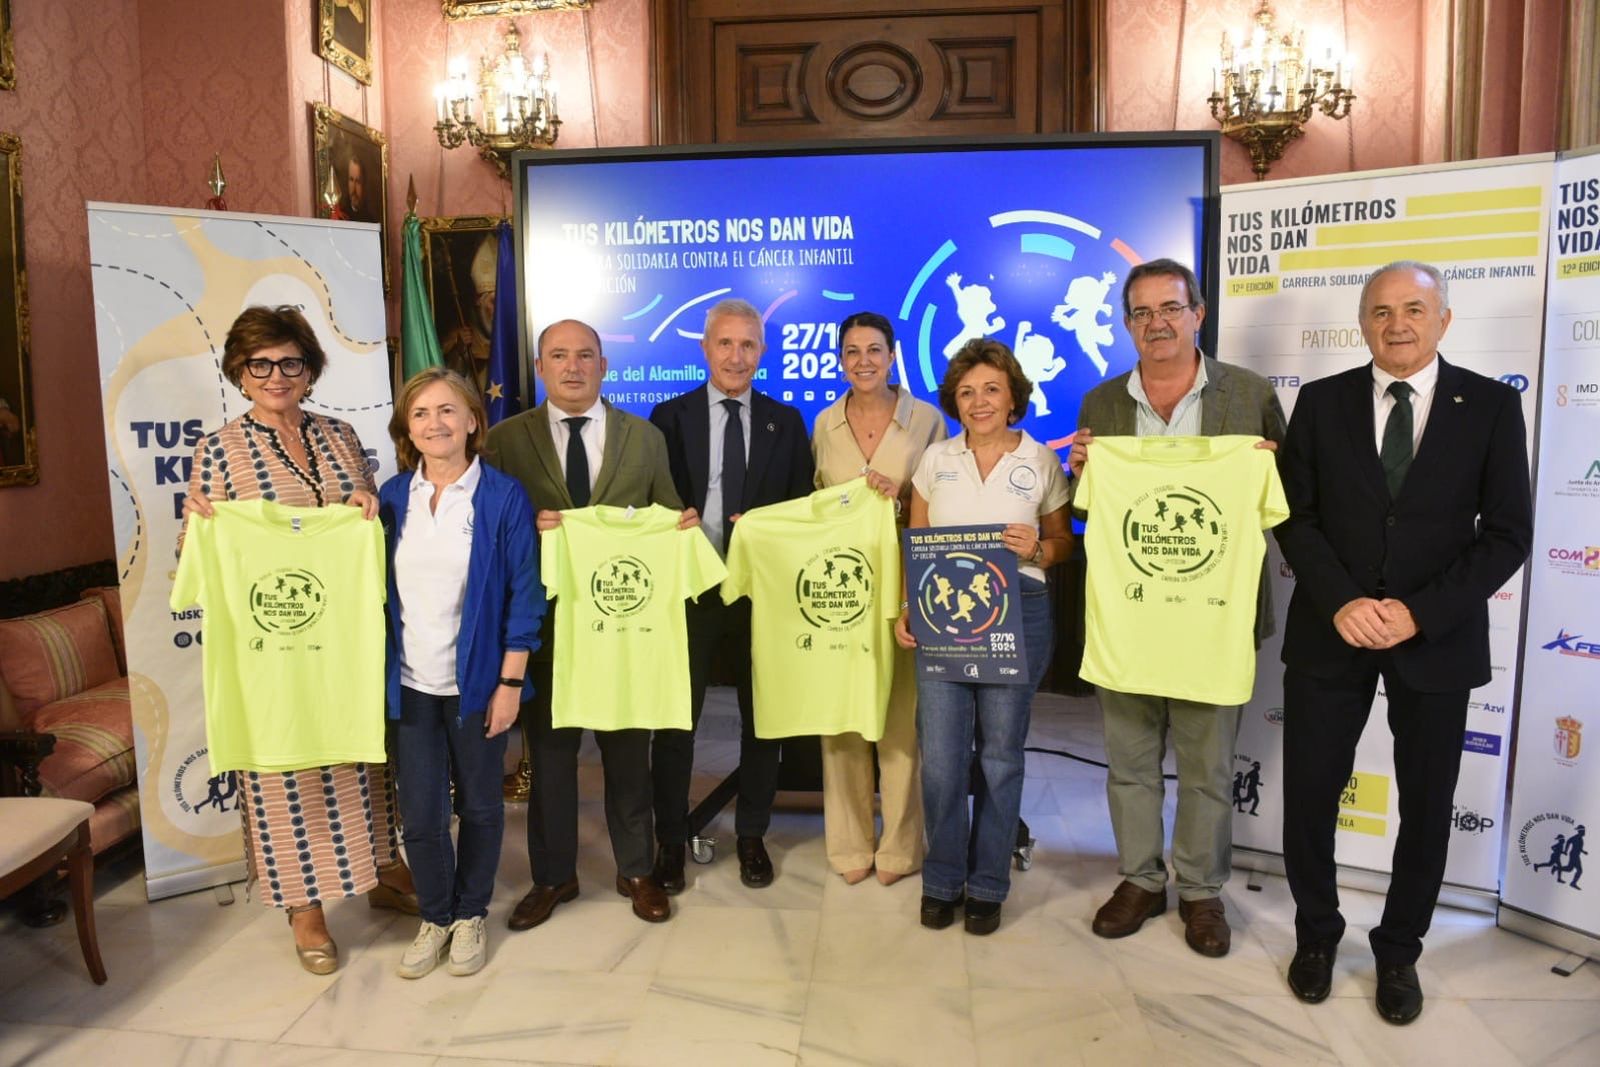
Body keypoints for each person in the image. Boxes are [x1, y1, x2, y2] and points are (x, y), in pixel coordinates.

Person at [1275, 260, 1532, 1024]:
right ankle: (1317, 934)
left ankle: (1399, 950)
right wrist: (1343, 599)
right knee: (1311, 794)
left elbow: (1508, 534)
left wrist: (1419, 612)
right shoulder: (1318, 404)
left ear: (1443, 320)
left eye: (1414, 309)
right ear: (1362, 323)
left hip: (1436, 638)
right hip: (1332, 630)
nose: (1397, 324)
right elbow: (1293, 514)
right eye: (1381, 310)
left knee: (1426, 803)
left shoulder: (1489, 406)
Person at [181, 304, 416, 974]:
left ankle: (379, 870)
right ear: (239, 370)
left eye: (290, 361)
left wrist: (368, 509)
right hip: (273, 648)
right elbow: (202, 553)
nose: (277, 375)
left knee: (359, 759)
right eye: (261, 363)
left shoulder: (340, 436)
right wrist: (199, 525)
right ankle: (304, 905)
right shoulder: (218, 450)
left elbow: (370, 522)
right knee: (285, 769)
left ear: (310, 369)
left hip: (342, 642)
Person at [1067, 259, 1286, 958]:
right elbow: (1093, 512)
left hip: (1212, 618)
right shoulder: (1101, 404)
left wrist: (1269, 463)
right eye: (1141, 312)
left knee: (1207, 766)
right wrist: (1081, 468)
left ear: (1198, 313)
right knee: (1128, 762)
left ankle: (1200, 890)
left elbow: (1287, 491)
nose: (1156, 322)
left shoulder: (1248, 395)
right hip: (1131, 619)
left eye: (1170, 307)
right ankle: (1139, 878)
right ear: (1127, 324)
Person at [488, 318, 694, 929]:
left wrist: (679, 526)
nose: (573, 366)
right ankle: (553, 877)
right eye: (559, 355)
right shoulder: (504, 440)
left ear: (604, 366)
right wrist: (533, 530)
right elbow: (490, 534)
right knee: (549, 756)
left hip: (623, 629)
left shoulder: (644, 436)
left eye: (585, 355)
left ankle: (637, 868)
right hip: (544, 629)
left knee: (629, 752)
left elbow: (667, 509)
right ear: (540, 368)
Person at [895, 337, 1071, 935]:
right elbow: (915, 545)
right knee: (942, 760)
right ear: (955, 401)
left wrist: (1042, 549)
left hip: (1018, 611)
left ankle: (989, 883)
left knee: (1000, 757)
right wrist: (905, 608)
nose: (979, 401)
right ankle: (943, 878)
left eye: (991, 389)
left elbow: (1063, 542)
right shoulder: (935, 461)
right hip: (945, 615)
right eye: (967, 392)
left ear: (1013, 395)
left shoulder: (1041, 461)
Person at [379, 368, 543, 979]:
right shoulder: (393, 497)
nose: (435, 424)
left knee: (479, 805)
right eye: (421, 413)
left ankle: (471, 913)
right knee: (420, 815)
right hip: (411, 687)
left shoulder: (502, 496)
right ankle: (437, 916)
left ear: (473, 421)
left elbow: (525, 594)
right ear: (408, 427)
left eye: (448, 411)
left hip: (478, 686)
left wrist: (509, 683)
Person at [649, 298, 815, 893]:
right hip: (690, 593)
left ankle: (751, 835)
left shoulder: (786, 422)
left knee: (763, 720)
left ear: (761, 354)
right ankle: (669, 839)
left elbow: (800, 508)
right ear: (705, 349)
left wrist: (767, 527)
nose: (737, 356)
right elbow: (651, 506)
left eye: (749, 345)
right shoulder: (667, 419)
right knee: (675, 721)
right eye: (726, 344)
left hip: (760, 595)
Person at [810, 311, 946, 886]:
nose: (863, 361)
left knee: (901, 720)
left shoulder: (928, 420)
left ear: (892, 356)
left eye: (874, 350)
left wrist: (903, 496)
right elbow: (816, 503)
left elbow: (946, 500)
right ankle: (847, 845)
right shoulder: (823, 423)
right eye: (851, 352)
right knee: (840, 717)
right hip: (840, 588)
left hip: (905, 585)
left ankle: (898, 848)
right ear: (840, 360)